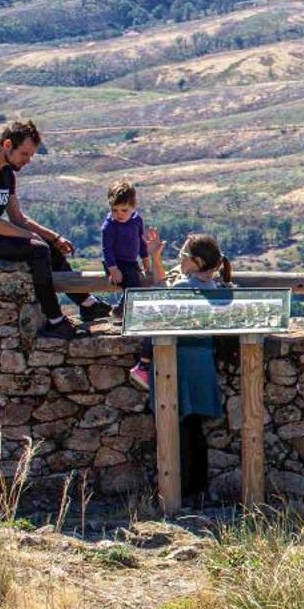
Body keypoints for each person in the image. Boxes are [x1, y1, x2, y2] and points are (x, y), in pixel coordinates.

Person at [0, 118, 109, 338]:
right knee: (38, 250)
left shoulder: (6, 174)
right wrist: (34, 239)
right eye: (24, 154)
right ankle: (56, 320)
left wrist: (54, 237)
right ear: (7, 146)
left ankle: (87, 303)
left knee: (46, 245)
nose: (28, 160)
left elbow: (17, 218)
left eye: (30, 155)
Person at [164, 233, 232, 506]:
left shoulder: (182, 287)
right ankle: (199, 487)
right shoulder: (218, 289)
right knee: (196, 428)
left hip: (179, 360)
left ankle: (181, 488)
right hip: (203, 360)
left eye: (182, 257)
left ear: (196, 262)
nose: (179, 262)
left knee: (179, 426)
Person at [101, 180, 162, 315]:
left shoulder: (137, 220)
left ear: (133, 206)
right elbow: (107, 249)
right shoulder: (109, 226)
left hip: (131, 262)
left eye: (124, 210)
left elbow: (141, 242)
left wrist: (146, 261)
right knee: (132, 282)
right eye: (114, 210)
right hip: (115, 262)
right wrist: (113, 270)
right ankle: (122, 310)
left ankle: (124, 309)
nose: (119, 214)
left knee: (137, 279)